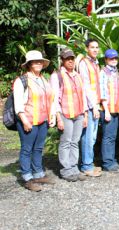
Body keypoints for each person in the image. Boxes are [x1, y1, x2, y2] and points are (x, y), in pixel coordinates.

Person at [14, 50, 56, 191]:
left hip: (42, 120)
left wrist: (51, 116)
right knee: (27, 149)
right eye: (35, 61)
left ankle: (38, 173)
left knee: (38, 148)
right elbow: (18, 104)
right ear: (29, 64)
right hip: (29, 120)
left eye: (40, 61)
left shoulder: (43, 79)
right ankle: (27, 177)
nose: (38, 63)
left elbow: (50, 99)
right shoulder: (22, 81)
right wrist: (24, 120)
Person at [50, 48, 88, 182]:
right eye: (67, 58)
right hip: (65, 114)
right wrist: (58, 117)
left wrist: (85, 114)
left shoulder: (77, 75)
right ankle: (66, 170)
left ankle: (74, 168)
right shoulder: (57, 76)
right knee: (66, 142)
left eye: (72, 58)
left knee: (75, 142)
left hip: (78, 113)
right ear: (62, 60)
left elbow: (83, 95)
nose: (70, 61)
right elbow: (54, 98)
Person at [78, 38, 102, 177]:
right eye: (92, 47)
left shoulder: (96, 63)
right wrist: (93, 106)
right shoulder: (83, 63)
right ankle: (87, 166)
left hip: (95, 104)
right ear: (86, 48)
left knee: (92, 137)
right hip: (89, 105)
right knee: (88, 137)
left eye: (96, 47)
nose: (95, 50)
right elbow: (86, 86)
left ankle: (88, 163)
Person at [99, 49, 119, 172]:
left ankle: (111, 160)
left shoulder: (116, 72)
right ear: (106, 60)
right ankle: (107, 163)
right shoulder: (103, 72)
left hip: (116, 109)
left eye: (115, 58)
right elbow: (102, 92)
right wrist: (106, 110)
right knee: (108, 137)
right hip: (107, 110)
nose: (113, 60)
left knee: (112, 137)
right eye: (111, 58)